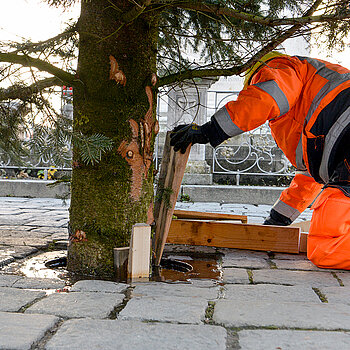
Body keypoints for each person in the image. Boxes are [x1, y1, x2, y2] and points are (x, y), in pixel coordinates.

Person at [170, 52, 350, 270]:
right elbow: (309, 176)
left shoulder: (280, 66)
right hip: (344, 150)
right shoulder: (309, 115)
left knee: (326, 246)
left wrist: (210, 130)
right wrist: (278, 221)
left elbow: (266, 98)